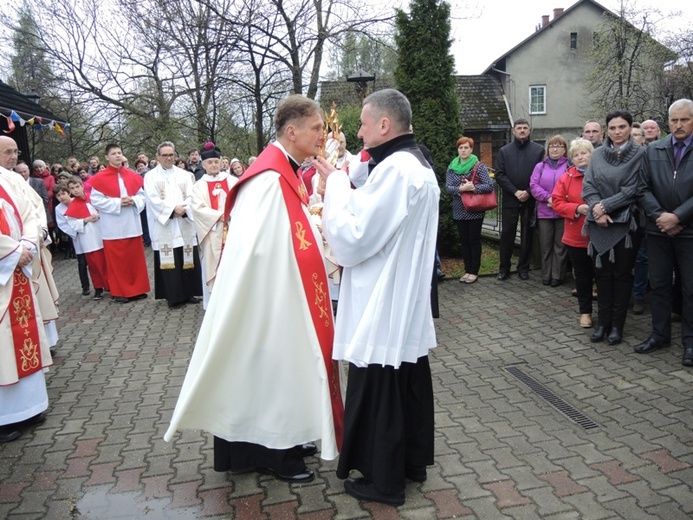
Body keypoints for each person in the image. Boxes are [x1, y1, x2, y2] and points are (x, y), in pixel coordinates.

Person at [165, 95, 343, 484]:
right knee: (275, 369)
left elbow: (286, 233)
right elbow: (260, 250)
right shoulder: (268, 180)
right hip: (270, 299)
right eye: (316, 128)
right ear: (291, 131)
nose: (322, 135)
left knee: (289, 369)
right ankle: (274, 453)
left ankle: (290, 439)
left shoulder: (285, 171)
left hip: (284, 292)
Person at [315, 88, 439, 506]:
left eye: (364, 123)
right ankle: (410, 464)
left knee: (381, 384)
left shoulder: (399, 170)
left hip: (383, 299)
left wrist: (332, 183)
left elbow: (353, 237)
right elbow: (373, 199)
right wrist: (345, 175)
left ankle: (384, 482)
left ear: (384, 125)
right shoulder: (413, 163)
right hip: (403, 295)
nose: (359, 130)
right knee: (405, 378)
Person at [636, 98, 693, 366]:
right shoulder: (653, 149)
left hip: (689, 230)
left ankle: (690, 342)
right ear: (666, 122)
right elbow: (641, 188)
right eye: (674, 120)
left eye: (685, 119)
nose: (679, 125)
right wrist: (661, 217)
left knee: (690, 288)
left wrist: (678, 216)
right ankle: (660, 334)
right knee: (658, 285)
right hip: (658, 230)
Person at [0, 153, 52, 443]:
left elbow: (31, 212)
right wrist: (12, 251)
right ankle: (4, 417)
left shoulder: (8, 178)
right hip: (7, 263)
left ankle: (29, 407)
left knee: (23, 334)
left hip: (17, 268)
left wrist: (28, 244)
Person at [582, 110, 645, 346]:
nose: (617, 132)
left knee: (620, 275)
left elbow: (633, 189)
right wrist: (597, 210)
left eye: (622, 127)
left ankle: (617, 326)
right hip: (599, 223)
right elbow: (588, 186)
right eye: (613, 128)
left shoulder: (640, 154)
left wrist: (604, 207)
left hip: (627, 224)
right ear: (607, 130)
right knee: (602, 275)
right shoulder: (597, 154)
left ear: (630, 128)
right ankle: (602, 324)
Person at [89, 143, 150, 303]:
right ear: (107, 157)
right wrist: (117, 203)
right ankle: (120, 292)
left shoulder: (132, 176)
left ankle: (138, 289)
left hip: (131, 222)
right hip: (112, 225)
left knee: (134, 259)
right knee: (117, 261)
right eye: (114, 153)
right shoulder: (99, 179)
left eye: (119, 152)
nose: (117, 155)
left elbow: (142, 196)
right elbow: (96, 200)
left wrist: (134, 200)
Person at [144, 142, 202, 308]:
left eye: (171, 155)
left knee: (186, 255)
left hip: (183, 220)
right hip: (165, 224)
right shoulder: (150, 176)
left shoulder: (184, 175)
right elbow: (152, 199)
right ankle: (174, 296)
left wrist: (183, 209)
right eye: (165, 155)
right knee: (170, 257)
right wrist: (171, 210)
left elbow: (193, 195)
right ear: (158, 156)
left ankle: (189, 292)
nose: (169, 158)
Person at [552, 139, 595, 328]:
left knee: (604, 276)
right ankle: (585, 312)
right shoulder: (566, 177)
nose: (580, 157)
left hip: (603, 235)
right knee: (583, 276)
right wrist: (577, 208)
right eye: (576, 155)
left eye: (584, 153)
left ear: (592, 154)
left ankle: (607, 311)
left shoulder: (601, 173)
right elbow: (557, 202)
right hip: (577, 235)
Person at [494, 119, 545, 280]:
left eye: (525, 128)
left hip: (530, 200)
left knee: (527, 235)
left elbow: (541, 175)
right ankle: (504, 268)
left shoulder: (538, 150)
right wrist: (515, 192)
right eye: (519, 128)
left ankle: (524, 267)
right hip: (510, 200)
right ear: (514, 131)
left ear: (529, 131)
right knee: (507, 235)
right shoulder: (504, 151)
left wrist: (528, 192)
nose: (522, 130)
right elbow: (499, 174)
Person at [190, 143, 237, 308]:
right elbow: (197, 209)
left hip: (233, 229)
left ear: (221, 162)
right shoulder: (198, 186)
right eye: (210, 162)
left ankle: (235, 301)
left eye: (216, 162)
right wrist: (220, 216)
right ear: (203, 164)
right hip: (212, 231)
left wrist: (231, 215)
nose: (214, 165)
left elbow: (242, 200)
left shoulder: (232, 180)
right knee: (213, 264)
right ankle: (214, 304)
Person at [445, 136, 493, 284]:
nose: (463, 150)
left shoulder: (478, 166)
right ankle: (467, 270)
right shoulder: (452, 167)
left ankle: (474, 271)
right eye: (461, 148)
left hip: (475, 209)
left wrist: (473, 188)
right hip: (459, 209)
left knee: (474, 240)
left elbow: (489, 185)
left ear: (471, 149)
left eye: (466, 147)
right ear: (457, 150)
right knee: (464, 241)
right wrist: (461, 189)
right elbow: (448, 188)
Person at [530, 135, 570, 287]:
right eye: (552, 146)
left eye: (559, 146)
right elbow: (533, 185)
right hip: (544, 211)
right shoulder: (540, 166)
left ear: (564, 149)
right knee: (546, 246)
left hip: (563, 212)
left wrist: (559, 201)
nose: (555, 149)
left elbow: (572, 185)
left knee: (560, 246)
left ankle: (557, 276)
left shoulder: (569, 166)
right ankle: (546, 275)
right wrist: (548, 198)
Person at [65, 176, 109, 301]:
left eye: (77, 187)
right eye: (72, 188)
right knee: (94, 265)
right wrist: (85, 220)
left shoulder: (94, 198)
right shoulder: (73, 206)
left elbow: (106, 210)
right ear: (70, 191)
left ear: (82, 186)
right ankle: (98, 288)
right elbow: (72, 224)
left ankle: (110, 286)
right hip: (88, 238)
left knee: (107, 263)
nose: (76, 190)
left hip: (102, 234)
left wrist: (99, 216)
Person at [54, 183, 91, 296]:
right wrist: (75, 230)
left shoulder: (77, 201)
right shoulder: (58, 209)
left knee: (93, 260)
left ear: (69, 193)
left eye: (64, 193)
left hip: (89, 233)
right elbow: (62, 224)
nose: (62, 197)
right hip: (77, 236)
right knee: (82, 262)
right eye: (58, 195)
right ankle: (85, 287)